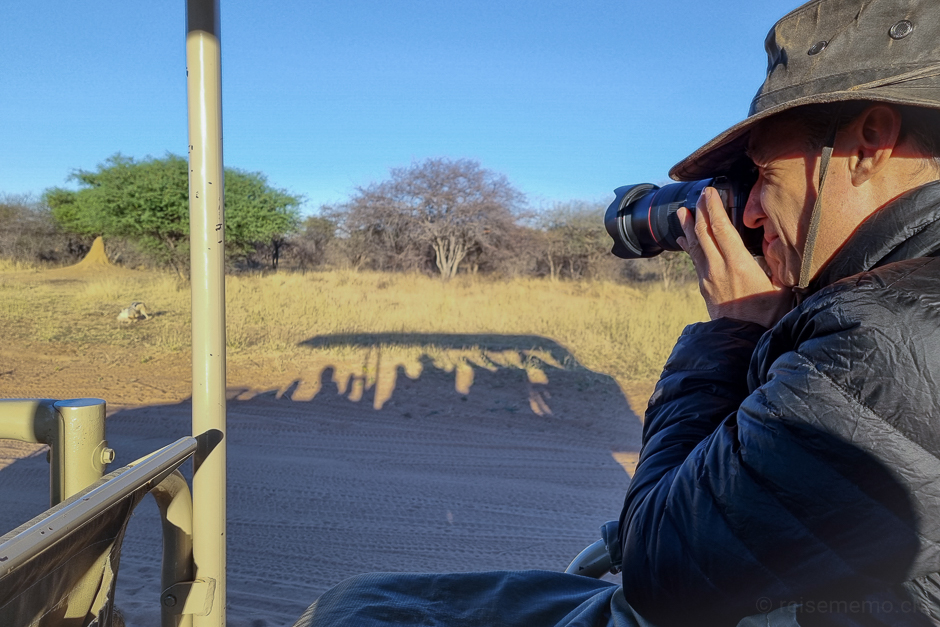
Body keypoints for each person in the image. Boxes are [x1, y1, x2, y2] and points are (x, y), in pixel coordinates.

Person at [295, 0, 940, 624]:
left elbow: (663, 574)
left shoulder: (886, 336)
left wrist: (734, 331)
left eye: (762, 178)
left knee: (359, 607)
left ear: (869, 142)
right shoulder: (892, 303)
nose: (746, 215)